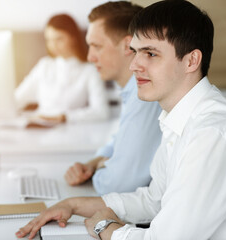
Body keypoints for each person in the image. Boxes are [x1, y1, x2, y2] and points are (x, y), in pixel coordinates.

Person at [16, 1, 226, 239]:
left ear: (191, 61)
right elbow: (154, 201)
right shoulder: (177, 119)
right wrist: (74, 205)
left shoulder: (214, 131)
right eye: (136, 51)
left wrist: (105, 228)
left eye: (150, 53)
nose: (134, 65)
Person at [64, 1, 162, 195]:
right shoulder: (132, 90)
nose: (90, 57)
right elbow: (119, 141)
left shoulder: (146, 95)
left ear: (128, 45)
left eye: (96, 46)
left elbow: (116, 185)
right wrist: (94, 163)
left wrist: (101, 168)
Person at [15, 13, 109, 124]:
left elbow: (102, 112)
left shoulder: (89, 71)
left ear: (73, 38)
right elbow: (17, 99)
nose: (53, 45)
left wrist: (63, 117)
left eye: (59, 39)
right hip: (38, 128)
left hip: (70, 131)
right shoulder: (44, 65)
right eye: (49, 40)